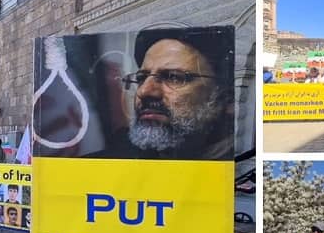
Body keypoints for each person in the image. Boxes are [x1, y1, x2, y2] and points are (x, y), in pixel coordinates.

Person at [93, 28, 233, 161]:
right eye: (142, 78)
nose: (144, 91)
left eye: (173, 77)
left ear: (222, 97)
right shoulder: (113, 159)